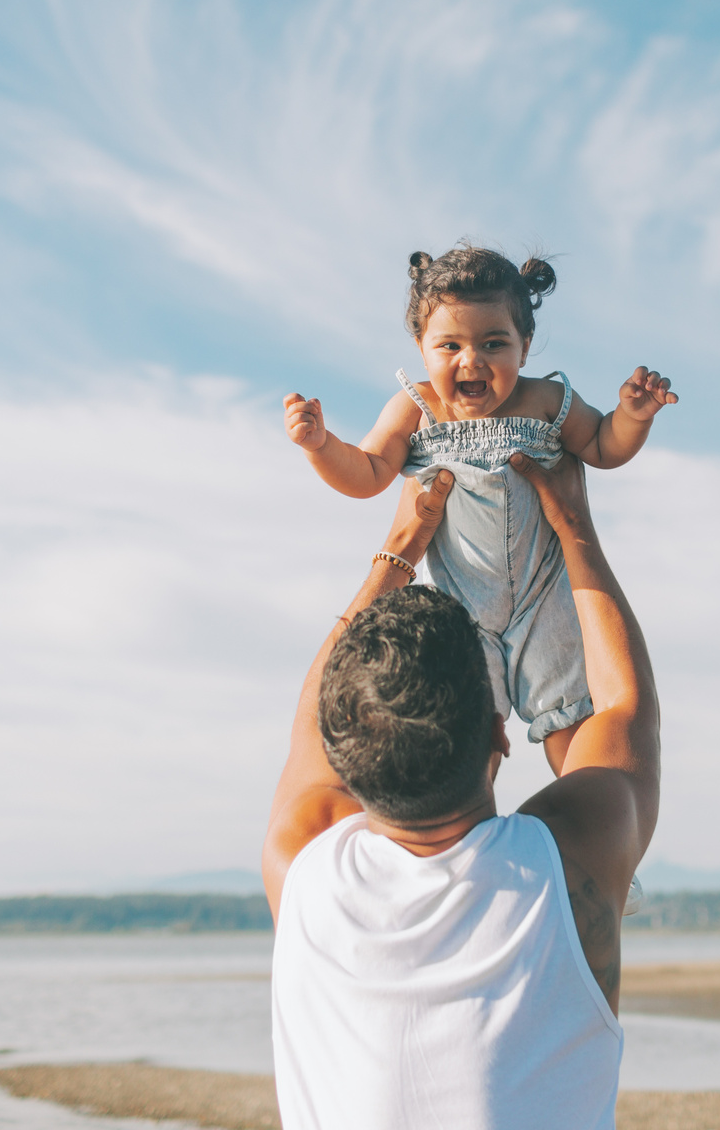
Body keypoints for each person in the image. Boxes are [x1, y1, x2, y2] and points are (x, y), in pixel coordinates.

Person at [263, 449, 659, 1130]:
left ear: (347, 764)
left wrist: (398, 549)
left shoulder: (304, 861)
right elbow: (622, 708)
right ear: (501, 735)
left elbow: (311, 726)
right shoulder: (573, 858)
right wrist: (574, 530)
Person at [282, 246, 676, 778]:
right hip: (458, 604)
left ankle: (592, 817)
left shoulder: (547, 400)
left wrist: (633, 417)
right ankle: (471, 841)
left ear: (525, 346)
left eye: (495, 344)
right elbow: (369, 472)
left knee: (574, 731)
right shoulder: (416, 408)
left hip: (546, 598)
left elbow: (604, 447)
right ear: (423, 349)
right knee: (468, 741)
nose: (472, 360)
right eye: (450, 345)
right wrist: (321, 445)